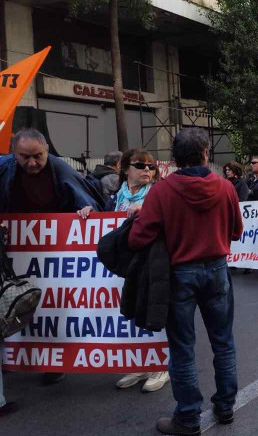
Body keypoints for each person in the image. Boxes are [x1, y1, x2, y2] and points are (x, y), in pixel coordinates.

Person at [129, 128, 243, 436]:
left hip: (179, 275)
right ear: (206, 153)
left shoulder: (162, 192)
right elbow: (236, 232)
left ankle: (189, 417)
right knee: (223, 342)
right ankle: (226, 406)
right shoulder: (224, 187)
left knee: (182, 348)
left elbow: (139, 237)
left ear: (175, 159)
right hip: (217, 271)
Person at [0, 128, 102, 387]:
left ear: (47, 151)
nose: (32, 163)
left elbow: (87, 201)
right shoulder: (4, 167)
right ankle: (11, 356)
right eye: (24, 157)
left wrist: (87, 209)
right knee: (10, 303)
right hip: (15, 250)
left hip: (54, 253)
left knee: (53, 307)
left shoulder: (62, 169)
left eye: (38, 156)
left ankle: (55, 362)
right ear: (14, 153)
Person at [81, 149, 172, 391]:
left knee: (154, 309)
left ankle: (160, 366)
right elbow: (108, 227)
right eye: (140, 165)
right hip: (128, 265)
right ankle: (140, 362)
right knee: (132, 311)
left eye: (151, 167)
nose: (147, 170)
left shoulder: (160, 195)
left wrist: (145, 212)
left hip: (154, 263)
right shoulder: (114, 197)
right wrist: (90, 213)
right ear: (125, 168)